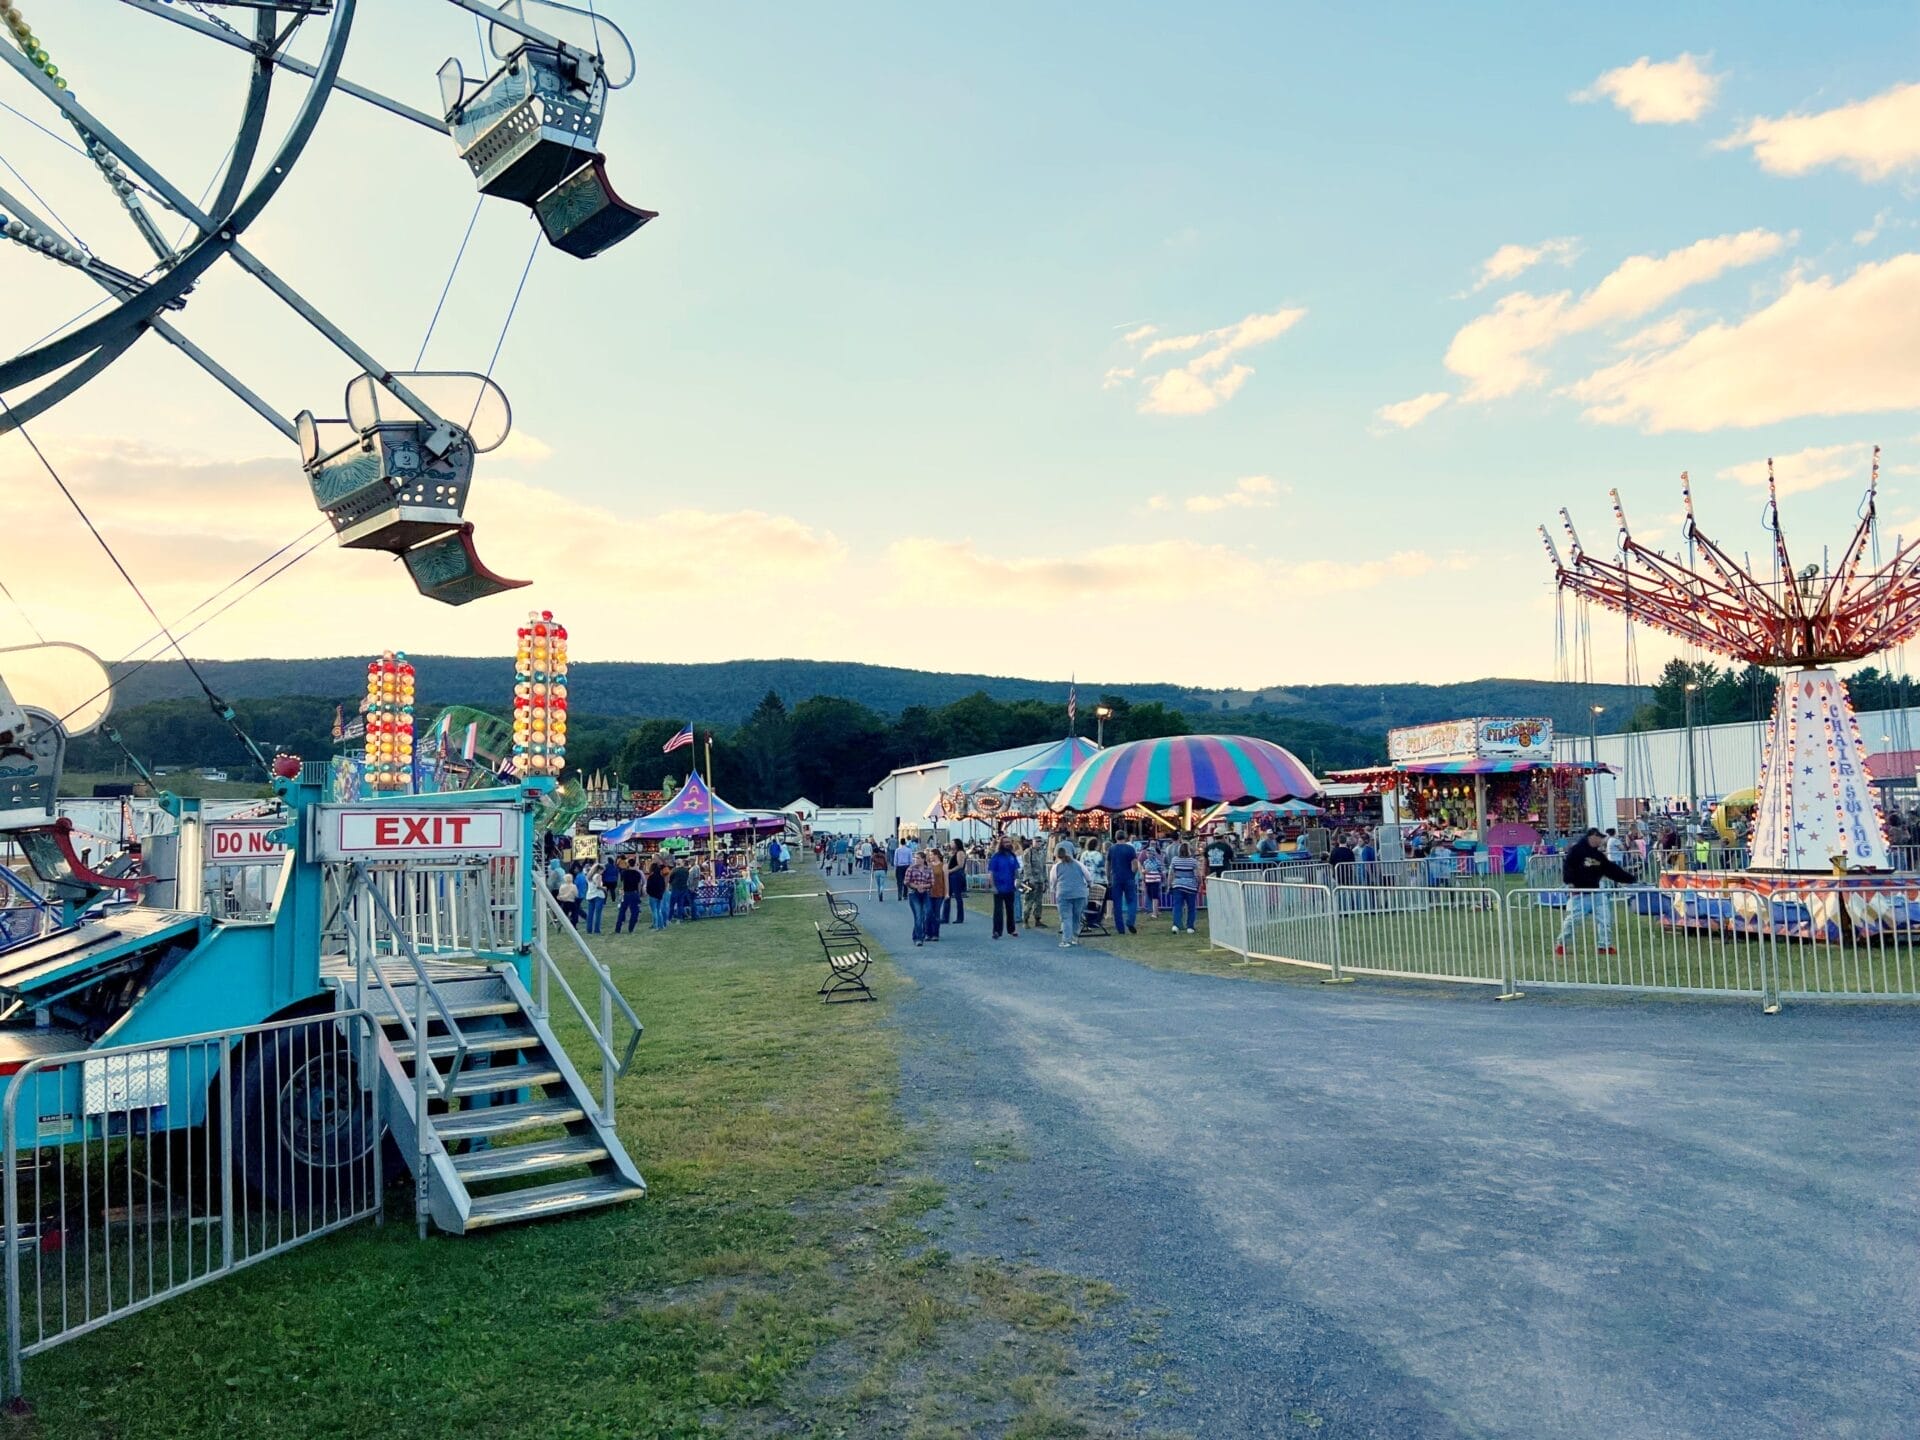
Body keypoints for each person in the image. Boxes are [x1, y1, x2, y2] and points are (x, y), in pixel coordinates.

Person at [1556, 827, 1638, 956]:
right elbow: (1568, 866)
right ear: (1593, 836)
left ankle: (1604, 946)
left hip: (1597, 893)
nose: (1602, 841)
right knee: (1572, 921)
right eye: (1600, 838)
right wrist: (1570, 882)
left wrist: (1630, 879)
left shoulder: (1598, 856)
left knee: (1605, 920)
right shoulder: (1576, 850)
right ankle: (1561, 944)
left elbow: (1611, 869)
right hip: (1580, 893)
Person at [1050, 840, 1090, 948]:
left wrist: (1053, 890)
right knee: (1077, 917)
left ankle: (1066, 940)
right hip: (1080, 893)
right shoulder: (1079, 864)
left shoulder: (1056, 867)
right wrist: (1088, 885)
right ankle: (1074, 938)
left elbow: (1053, 881)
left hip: (1063, 894)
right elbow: (1088, 876)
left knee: (1066, 917)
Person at [988, 836, 1021, 938]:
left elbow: (1016, 870)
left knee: (1010, 909)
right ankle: (997, 931)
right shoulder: (996, 857)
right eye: (1005, 842)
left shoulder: (1012, 856)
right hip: (998, 888)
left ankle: (1011, 929)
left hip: (1010, 887)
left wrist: (1018, 881)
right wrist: (993, 886)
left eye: (1008, 842)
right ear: (1001, 844)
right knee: (998, 911)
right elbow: (991, 873)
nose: (1007, 844)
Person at [1106, 835, 1138, 935]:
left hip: (1116, 878)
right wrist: (1133, 874)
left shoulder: (1111, 849)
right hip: (1128, 877)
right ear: (1125, 838)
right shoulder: (1130, 848)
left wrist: (1108, 877)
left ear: (1116, 838)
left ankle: (1120, 929)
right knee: (1132, 900)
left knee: (1117, 903)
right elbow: (1135, 863)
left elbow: (1108, 864)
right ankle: (1130, 921)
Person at [905, 848, 935, 946]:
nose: (916, 860)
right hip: (914, 893)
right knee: (918, 915)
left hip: (925, 893)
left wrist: (924, 886)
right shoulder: (911, 869)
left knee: (928, 912)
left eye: (918, 858)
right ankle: (918, 938)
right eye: (915, 858)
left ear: (923, 859)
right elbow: (906, 882)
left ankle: (919, 932)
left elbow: (932, 882)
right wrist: (916, 887)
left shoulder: (928, 869)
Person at [1168, 842, 1199, 934]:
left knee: (1177, 906)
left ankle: (1176, 925)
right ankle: (1190, 927)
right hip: (1191, 886)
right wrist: (1199, 882)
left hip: (1177, 885)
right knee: (1191, 907)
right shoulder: (1193, 861)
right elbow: (1197, 875)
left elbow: (1171, 874)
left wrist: (1169, 885)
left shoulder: (1174, 860)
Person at [1021, 837, 1048, 931]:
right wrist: (1030, 879)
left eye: (1040, 842)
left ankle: (1038, 919)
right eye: (1037, 842)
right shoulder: (1028, 852)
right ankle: (1025, 920)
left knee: (1038, 902)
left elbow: (1043, 867)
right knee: (1028, 901)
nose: (1039, 843)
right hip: (1030, 881)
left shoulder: (1042, 853)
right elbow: (1026, 866)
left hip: (1040, 880)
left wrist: (1045, 880)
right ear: (1032, 842)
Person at [926, 843, 948, 941]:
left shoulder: (943, 865)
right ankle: (928, 933)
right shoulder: (929, 866)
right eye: (929, 855)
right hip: (929, 891)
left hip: (939, 892)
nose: (930, 857)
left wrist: (947, 893)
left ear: (936, 855)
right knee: (928, 912)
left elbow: (946, 880)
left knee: (936, 913)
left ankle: (935, 934)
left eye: (932, 855)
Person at [615, 857, 644, 933]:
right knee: (635, 912)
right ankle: (631, 928)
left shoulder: (624, 873)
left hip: (625, 893)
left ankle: (618, 928)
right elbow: (639, 885)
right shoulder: (637, 873)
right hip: (634, 893)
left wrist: (620, 895)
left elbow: (621, 885)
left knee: (622, 911)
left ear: (628, 864)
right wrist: (638, 894)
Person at [944, 843, 967, 925]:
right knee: (947, 895)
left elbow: (960, 865)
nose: (951, 844)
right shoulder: (952, 853)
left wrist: (950, 871)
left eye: (953, 843)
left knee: (958, 896)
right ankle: (945, 917)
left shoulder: (960, 852)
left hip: (956, 875)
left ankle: (960, 917)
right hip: (950, 876)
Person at [1140, 843, 1165, 919]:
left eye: (1150, 853)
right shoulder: (1145, 862)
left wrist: (1163, 879)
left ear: (1153, 854)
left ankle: (1154, 913)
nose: (1148, 855)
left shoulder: (1158, 862)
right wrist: (1144, 872)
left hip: (1155, 881)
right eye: (1147, 853)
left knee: (1155, 897)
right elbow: (1143, 870)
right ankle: (1155, 911)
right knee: (1150, 896)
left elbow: (1161, 870)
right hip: (1148, 881)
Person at [646, 859, 670, 930]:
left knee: (654, 911)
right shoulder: (661, 877)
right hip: (659, 895)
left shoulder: (651, 877)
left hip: (652, 895)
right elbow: (663, 886)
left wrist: (649, 893)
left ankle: (655, 925)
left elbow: (648, 887)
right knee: (659, 910)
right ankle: (661, 925)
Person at [583, 865, 607, 934]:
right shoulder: (598, 876)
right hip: (598, 895)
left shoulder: (589, 876)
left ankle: (589, 929)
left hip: (590, 895)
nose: (603, 872)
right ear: (599, 870)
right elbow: (598, 886)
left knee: (590, 913)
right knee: (598, 914)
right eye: (602, 870)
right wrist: (604, 888)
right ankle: (597, 930)